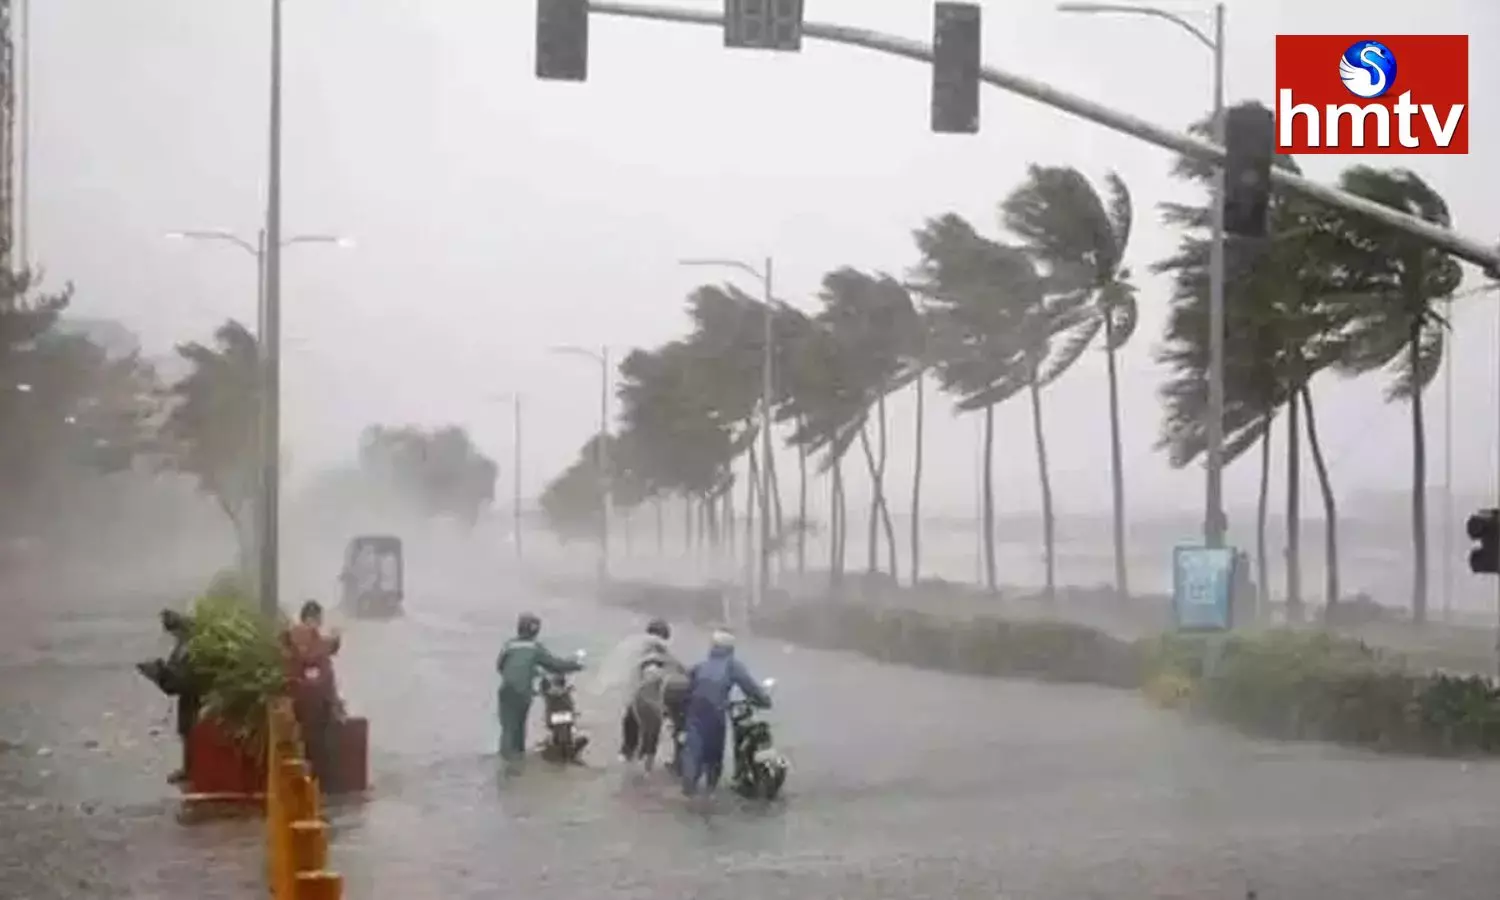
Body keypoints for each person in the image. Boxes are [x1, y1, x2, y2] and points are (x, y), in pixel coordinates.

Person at [679, 628, 771, 796]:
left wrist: (681, 717)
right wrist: (765, 701)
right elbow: (750, 688)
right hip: (716, 713)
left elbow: (685, 691)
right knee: (713, 755)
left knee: (693, 752)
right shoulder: (732, 666)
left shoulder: (700, 666)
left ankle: (688, 793)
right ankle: (710, 793)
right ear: (731, 649)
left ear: (712, 647)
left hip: (694, 713)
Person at [496, 612, 584, 764]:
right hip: (523, 693)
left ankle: (506, 760)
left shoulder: (508, 645)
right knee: (519, 727)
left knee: (508, 728)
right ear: (535, 631)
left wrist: (531, 673)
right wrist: (576, 665)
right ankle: (516, 760)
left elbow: (500, 666)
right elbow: (555, 665)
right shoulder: (535, 647)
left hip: (505, 691)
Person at [136, 608, 201, 785]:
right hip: (188, 696)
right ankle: (189, 768)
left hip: (195, 695)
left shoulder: (191, 646)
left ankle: (192, 769)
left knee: (191, 730)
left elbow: (180, 682)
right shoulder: (183, 644)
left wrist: (159, 674)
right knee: (186, 731)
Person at [284, 600, 343, 787]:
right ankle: (316, 782)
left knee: (316, 745)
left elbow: (331, 647)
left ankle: (316, 782)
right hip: (307, 704)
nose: (313, 623)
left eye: (315, 619)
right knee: (314, 745)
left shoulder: (307, 641)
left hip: (315, 703)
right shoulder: (301, 640)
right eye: (311, 619)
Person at [619, 617, 687, 770]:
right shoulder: (663, 653)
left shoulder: (647, 652)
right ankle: (655, 761)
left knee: (633, 720)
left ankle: (631, 755)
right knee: (666, 728)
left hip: (652, 697)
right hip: (659, 697)